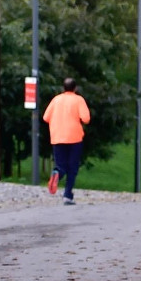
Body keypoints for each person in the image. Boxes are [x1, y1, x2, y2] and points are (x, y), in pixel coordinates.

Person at [43, 77, 91, 205]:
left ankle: (56, 173)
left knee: (61, 165)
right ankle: (67, 195)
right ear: (75, 88)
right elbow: (86, 118)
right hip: (74, 137)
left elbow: (46, 117)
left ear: (63, 88)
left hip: (57, 137)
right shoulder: (78, 100)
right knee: (72, 167)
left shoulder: (56, 99)